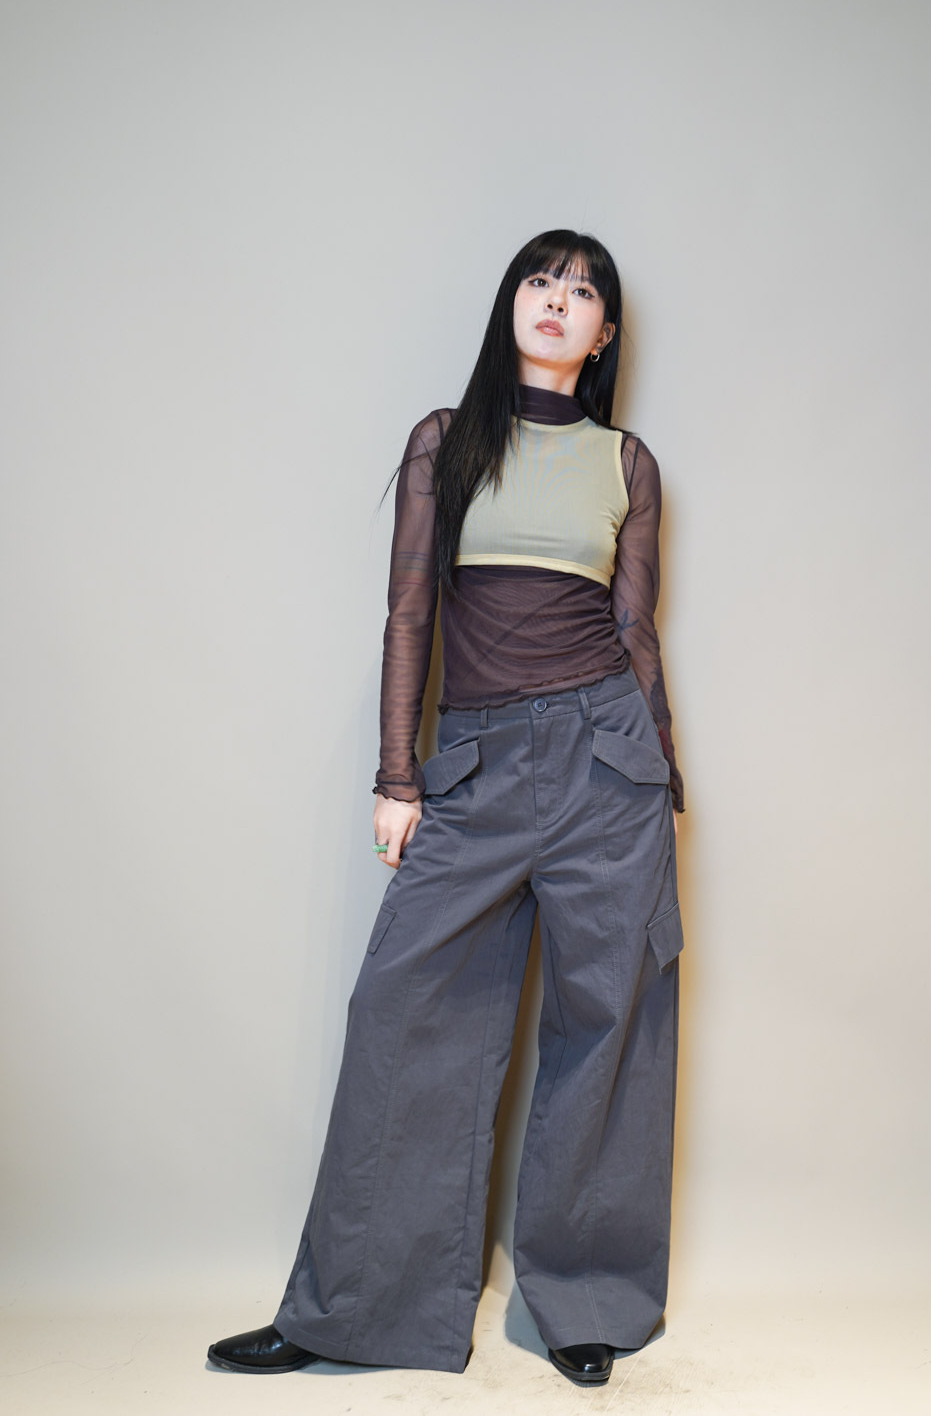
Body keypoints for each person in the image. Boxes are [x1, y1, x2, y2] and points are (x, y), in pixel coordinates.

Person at [207, 228, 685, 1389]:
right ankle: (352, 1312)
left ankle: (584, 1303)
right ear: (510, 303)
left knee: (607, 1025)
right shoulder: (446, 439)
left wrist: (663, 774)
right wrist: (397, 774)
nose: (558, 300)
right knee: (401, 1010)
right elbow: (410, 613)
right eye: (540, 281)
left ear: (604, 334)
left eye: (583, 292)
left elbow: (634, 631)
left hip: (605, 766)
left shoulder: (626, 464)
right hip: (474, 765)